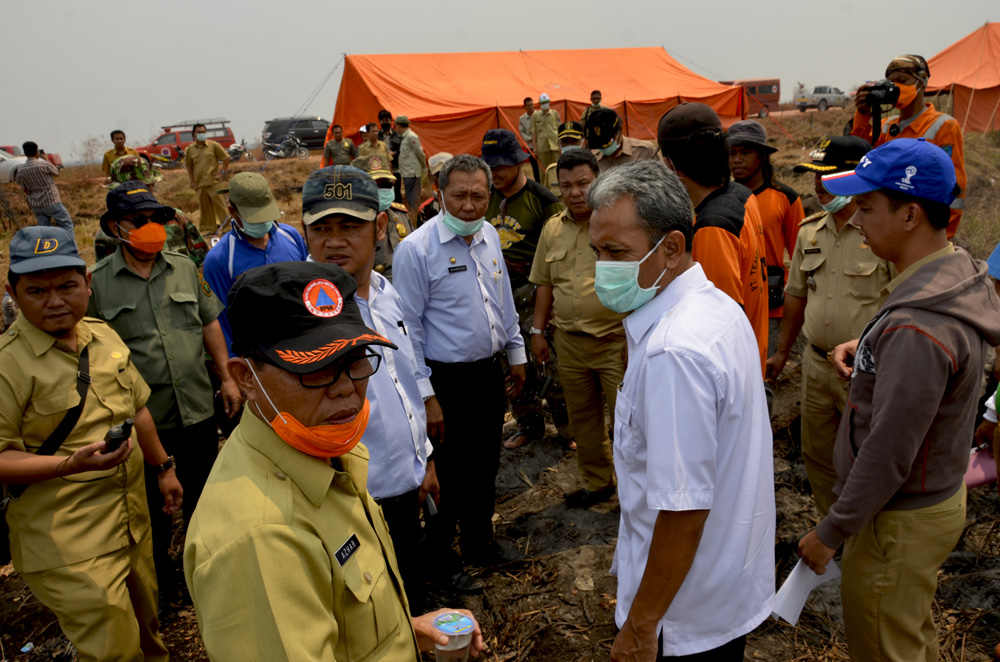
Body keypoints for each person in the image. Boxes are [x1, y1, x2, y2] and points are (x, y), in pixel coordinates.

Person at [183, 261, 484, 661]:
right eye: (314, 369)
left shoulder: (324, 446)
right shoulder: (261, 539)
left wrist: (407, 633)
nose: (345, 388)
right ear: (246, 378)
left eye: (356, 360)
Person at [798, 138, 1000, 661]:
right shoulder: (949, 274)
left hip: (897, 519)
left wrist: (831, 531)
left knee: (886, 646)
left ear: (910, 215)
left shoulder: (919, 324)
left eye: (866, 207)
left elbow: (889, 449)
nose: (856, 219)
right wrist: (866, 349)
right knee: (908, 636)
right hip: (924, 504)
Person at [588, 161, 774, 661]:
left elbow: (683, 507)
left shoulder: (674, 353)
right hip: (721, 588)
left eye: (616, 252)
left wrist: (641, 626)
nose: (602, 268)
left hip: (680, 616)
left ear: (670, 247)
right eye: (596, 251)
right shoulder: (716, 308)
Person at [0, 225, 183, 662]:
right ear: (12, 292)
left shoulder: (101, 335)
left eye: (66, 286)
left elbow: (136, 408)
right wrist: (69, 466)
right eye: (37, 291)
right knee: (113, 651)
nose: (55, 301)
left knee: (148, 633)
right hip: (68, 541)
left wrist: (163, 468)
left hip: (131, 521)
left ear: (85, 280)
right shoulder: (8, 364)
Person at [88, 181, 241, 611]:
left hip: (194, 407)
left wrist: (226, 377)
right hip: (141, 421)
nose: (153, 228)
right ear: (116, 227)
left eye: (158, 219)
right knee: (151, 511)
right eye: (141, 221)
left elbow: (209, 323)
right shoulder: (97, 285)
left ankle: (204, 570)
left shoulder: (182, 268)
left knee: (203, 495)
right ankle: (162, 580)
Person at [301, 164, 438, 610]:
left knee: (410, 600)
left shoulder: (384, 291)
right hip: (349, 503)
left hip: (401, 490)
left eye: (349, 226)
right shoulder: (302, 316)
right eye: (321, 227)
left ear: (380, 226)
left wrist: (424, 461)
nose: (334, 240)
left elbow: (402, 382)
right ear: (304, 233)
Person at [392, 154, 527, 587]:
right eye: (459, 196)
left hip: (486, 374)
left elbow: (502, 299)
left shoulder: (488, 235)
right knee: (445, 471)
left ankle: (479, 543)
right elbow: (407, 327)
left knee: (485, 463)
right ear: (440, 193)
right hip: (443, 380)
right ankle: (439, 557)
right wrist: (426, 395)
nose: (469, 206)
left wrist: (517, 352)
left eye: (478, 196)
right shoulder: (416, 249)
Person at [766, 136, 890, 517]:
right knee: (817, 454)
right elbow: (797, 295)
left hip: (866, 368)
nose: (818, 186)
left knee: (869, 455)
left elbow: (905, 298)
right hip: (816, 366)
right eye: (814, 178)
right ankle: (831, 535)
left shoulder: (883, 232)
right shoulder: (810, 230)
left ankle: (867, 533)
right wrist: (783, 352)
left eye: (827, 177)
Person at [530, 148, 625, 507]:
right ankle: (599, 483)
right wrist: (538, 333)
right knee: (583, 421)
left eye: (583, 183)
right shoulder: (552, 228)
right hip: (568, 342)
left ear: (598, 180)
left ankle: (638, 492)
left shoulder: (619, 222)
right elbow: (544, 284)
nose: (574, 192)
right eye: (565, 185)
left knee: (629, 424)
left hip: (615, 341)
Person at [657, 102, 769, 373]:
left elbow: (718, 327)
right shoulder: (741, 195)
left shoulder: (712, 228)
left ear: (671, 165)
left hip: (730, 372)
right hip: (753, 355)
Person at [482, 129, 567, 450]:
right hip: (496, 294)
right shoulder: (486, 198)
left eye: (502, 166)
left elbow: (559, 253)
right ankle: (530, 424)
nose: (495, 174)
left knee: (550, 362)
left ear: (519, 163)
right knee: (512, 364)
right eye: (490, 167)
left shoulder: (543, 201)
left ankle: (567, 427)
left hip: (535, 293)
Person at [850, 54, 966, 238]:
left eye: (902, 80)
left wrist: (942, 236)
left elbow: (953, 187)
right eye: (890, 82)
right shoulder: (886, 126)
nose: (895, 86)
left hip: (922, 232)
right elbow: (857, 156)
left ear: (922, 82)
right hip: (888, 229)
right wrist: (863, 114)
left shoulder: (944, 126)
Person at [202, 172, 308, 354]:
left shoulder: (291, 237)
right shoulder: (220, 259)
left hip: (302, 344)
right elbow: (221, 322)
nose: (260, 222)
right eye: (253, 217)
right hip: (256, 355)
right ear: (232, 212)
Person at [727, 120, 805, 355]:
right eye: (731, 153)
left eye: (745, 152)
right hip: (732, 300)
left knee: (762, 375)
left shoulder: (785, 198)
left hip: (770, 305)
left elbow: (801, 256)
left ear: (762, 156)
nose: (736, 159)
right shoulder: (721, 199)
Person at [95, 155, 210, 266]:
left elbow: (202, 261)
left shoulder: (175, 217)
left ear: (152, 185)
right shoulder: (109, 234)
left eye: (143, 188)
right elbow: (108, 277)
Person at [350, 154, 414, 282]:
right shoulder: (349, 225)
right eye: (372, 185)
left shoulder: (401, 215)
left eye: (385, 184)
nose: (380, 190)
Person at [13, 141, 76, 246]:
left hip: (36, 204)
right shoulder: (43, 164)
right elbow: (56, 172)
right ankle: (71, 248)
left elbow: (23, 187)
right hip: (51, 200)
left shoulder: (21, 169)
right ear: (37, 151)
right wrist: (46, 158)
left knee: (44, 230)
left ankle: (47, 251)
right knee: (67, 224)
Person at [184, 123, 231, 235]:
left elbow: (226, 158)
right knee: (205, 208)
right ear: (194, 135)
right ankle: (210, 229)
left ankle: (227, 228)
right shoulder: (190, 149)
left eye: (203, 132)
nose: (202, 134)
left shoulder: (213, 145)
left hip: (213, 182)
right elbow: (189, 166)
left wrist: (221, 173)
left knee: (220, 206)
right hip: (199, 183)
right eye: (199, 132)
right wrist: (192, 181)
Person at [587, 107, 660, 173]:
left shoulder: (645, 152)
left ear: (620, 130)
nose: (603, 147)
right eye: (598, 143)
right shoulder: (591, 159)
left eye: (607, 142)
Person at [543, 121, 586, 196]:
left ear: (584, 144)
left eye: (574, 141)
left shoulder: (593, 170)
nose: (570, 146)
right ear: (558, 145)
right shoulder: (551, 172)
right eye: (565, 142)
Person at [396, 116, 427, 217]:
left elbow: (419, 153)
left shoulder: (411, 136)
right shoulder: (406, 137)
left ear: (399, 125)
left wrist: (423, 166)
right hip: (407, 172)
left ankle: (416, 217)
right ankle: (415, 215)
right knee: (410, 197)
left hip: (411, 172)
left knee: (413, 197)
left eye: (396, 126)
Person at [417, 152, 453, 226]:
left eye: (447, 174)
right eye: (439, 174)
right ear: (430, 177)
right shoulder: (425, 209)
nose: (444, 178)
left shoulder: (465, 203)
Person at [531, 92, 561, 174]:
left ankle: (556, 185)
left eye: (546, 102)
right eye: (542, 103)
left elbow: (559, 129)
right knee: (544, 170)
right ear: (539, 104)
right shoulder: (535, 116)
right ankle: (545, 186)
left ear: (549, 102)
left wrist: (561, 145)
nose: (545, 104)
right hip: (542, 147)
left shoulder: (555, 114)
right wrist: (534, 147)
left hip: (555, 145)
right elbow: (533, 132)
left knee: (557, 167)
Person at [518, 96, 541, 181]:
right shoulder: (522, 119)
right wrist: (530, 138)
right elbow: (521, 132)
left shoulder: (539, 115)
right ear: (525, 107)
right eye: (529, 105)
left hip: (541, 145)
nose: (531, 107)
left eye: (532, 104)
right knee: (535, 168)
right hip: (530, 146)